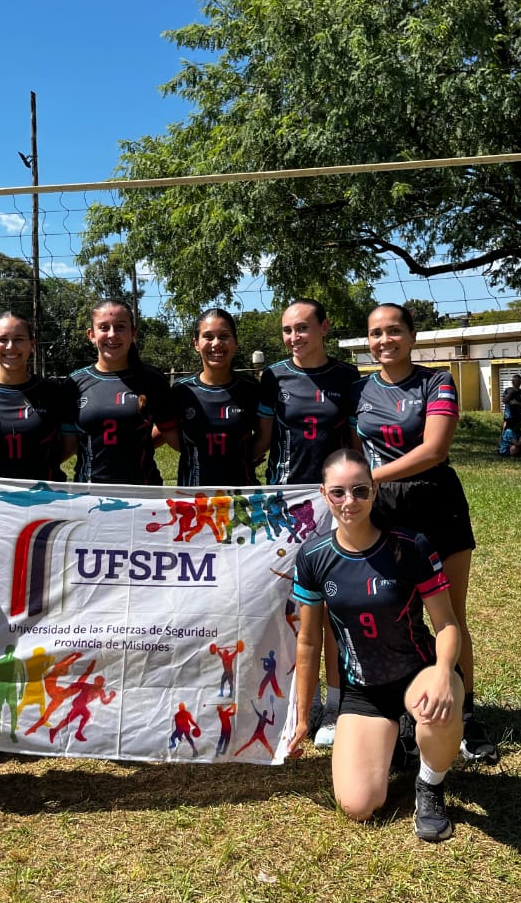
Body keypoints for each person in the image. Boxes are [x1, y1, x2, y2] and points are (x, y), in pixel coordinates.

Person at [289, 450, 464, 842]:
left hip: (416, 674)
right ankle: (398, 743)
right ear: (323, 494)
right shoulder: (313, 557)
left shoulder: (410, 546)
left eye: (359, 490)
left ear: (374, 490)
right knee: (358, 805)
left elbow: (448, 624)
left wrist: (441, 673)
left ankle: (430, 785)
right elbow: (308, 640)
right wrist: (303, 718)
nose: (349, 501)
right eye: (338, 493)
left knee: (439, 705)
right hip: (363, 690)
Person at [352, 303, 497, 765]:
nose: (384, 341)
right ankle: (408, 714)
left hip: (437, 504)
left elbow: (435, 449)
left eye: (394, 331)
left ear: (412, 336)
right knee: (396, 612)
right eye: (376, 334)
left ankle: (467, 717)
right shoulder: (360, 389)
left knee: (449, 614)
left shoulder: (438, 381)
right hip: (384, 511)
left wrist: (371, 477)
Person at [253, 298, 359, 748]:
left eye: (302, 328)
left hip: (335, 503)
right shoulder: (272, 377)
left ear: (323, 328)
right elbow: (260, 443)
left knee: (335, 609)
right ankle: (302, 702)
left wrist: (356, 492)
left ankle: (336, 705)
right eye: (287, 330)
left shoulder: (347, 377)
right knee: (292, 609)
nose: (294, 337)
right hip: (286, 507)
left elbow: (356, 442)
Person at [61, 299, 177, 484]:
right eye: (104, 327)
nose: (112, 335)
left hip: (144, 494)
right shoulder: (74, 383)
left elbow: (172, 434)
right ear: (91, 334)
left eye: (120, 327)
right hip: (90, 497)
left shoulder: (153, 380)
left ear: (133, 333)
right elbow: (69, 444)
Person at [0, 312, 67, 479]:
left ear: (32, 344)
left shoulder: (52, 391)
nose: (10, 347)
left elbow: (70, 443)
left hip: (46, 499)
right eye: (2, 339)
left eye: (19, 339)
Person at [172, 308, 259, 486]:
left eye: (224, 336)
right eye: (208, 337)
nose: (216, 343)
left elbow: (266, 435)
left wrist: (245, 455)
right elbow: (165, 432)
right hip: (193, 498)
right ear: (196, 343)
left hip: (242, 498)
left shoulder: (251, 388)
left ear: (235, 342)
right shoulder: (181, 390)